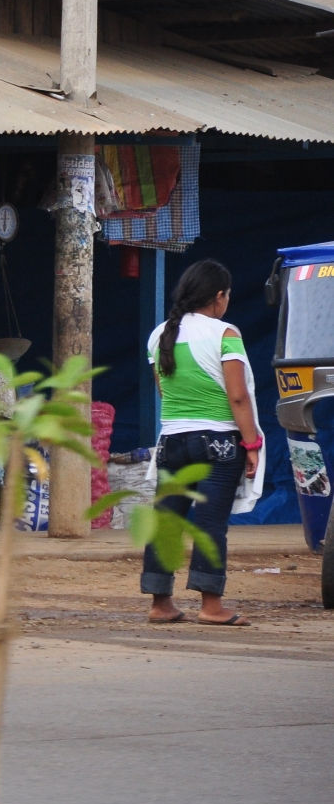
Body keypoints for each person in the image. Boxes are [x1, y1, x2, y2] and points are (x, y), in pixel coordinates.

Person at [143, 258, 261, 626]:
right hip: (219, 442)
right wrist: (251, 444)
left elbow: (162, 390)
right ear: (219, 296)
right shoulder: (226, 334)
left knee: (166, 521)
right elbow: (238, 396)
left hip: (171, 441)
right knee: (210, 523)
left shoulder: (159, 334)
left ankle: (161, 603)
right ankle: (211, 607)